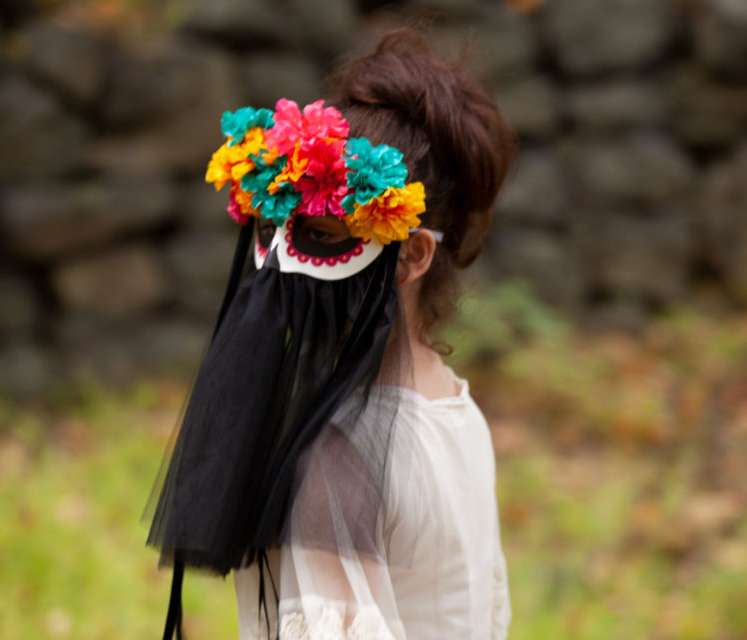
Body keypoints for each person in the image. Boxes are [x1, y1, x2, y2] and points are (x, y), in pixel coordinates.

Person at [146, 28, 513, 640]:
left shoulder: (341, 451)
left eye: (321, 234)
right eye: (273, 226)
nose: (281, 263)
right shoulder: (459, 407)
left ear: (413, 255)